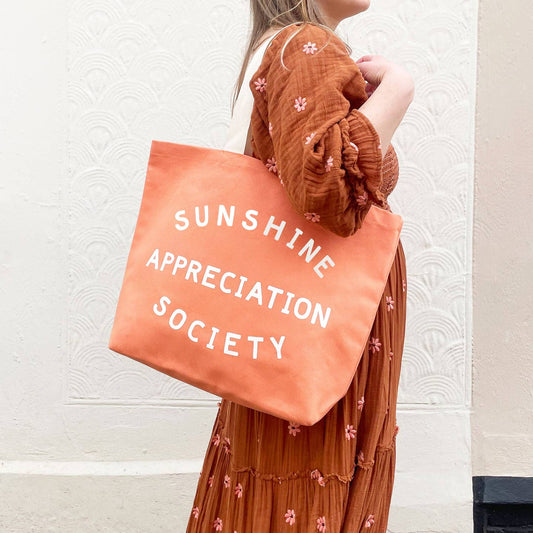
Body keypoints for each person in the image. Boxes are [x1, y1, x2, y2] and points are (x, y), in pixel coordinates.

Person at [186, 1, 414, 531]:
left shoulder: (289, 47)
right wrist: (399, 90)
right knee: (308, 490)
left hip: (300, 315)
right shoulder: (307, 47)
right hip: (320, 324)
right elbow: (328, 194)